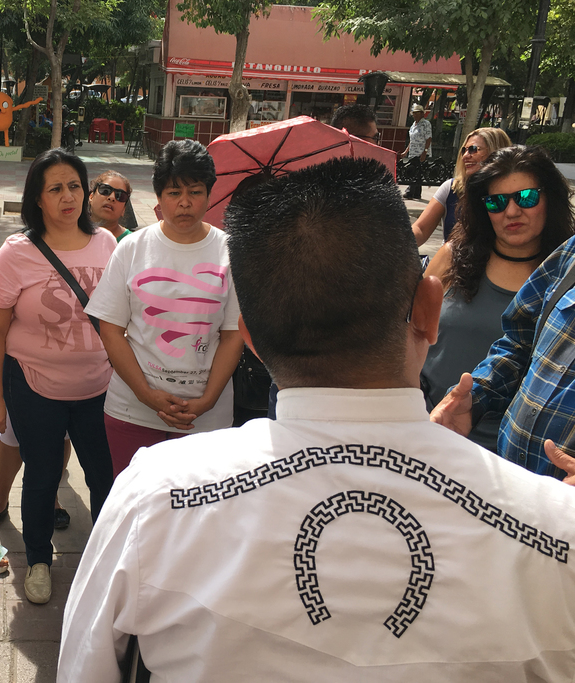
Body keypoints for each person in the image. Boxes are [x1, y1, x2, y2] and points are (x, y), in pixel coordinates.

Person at [59, 157, 575, 681]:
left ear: (252, 341)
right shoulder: (556, 530)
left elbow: (86, 668)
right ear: (428, 310)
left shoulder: (154, 499)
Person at [0, 148, 115, 604]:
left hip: (99, 385)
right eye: (55, 188)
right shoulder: (16, 253)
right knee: (41, 476)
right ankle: (38, 560)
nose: (68, 197)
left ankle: (106, 556)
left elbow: (119, 317)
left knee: (104, 475)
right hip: (34, 385)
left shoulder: (107, 244)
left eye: (75, 186)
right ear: (37, 198)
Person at [85, 139, 243, 477]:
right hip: (133, 411)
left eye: (195, 192)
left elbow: (233, 335)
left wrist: (208, 400)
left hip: (206, 417)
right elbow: (110, 329)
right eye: (173, 193)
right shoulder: (131, 249)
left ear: (210, 194)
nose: (184, 203)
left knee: (199, 516)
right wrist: (146, 395)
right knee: (137, 511)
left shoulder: (230, 253)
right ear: (158, 197)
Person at [432, 153, 575, 482]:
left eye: (526, 198)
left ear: (549, 199)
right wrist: (475, 396)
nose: (512, 211)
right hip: (448, 430)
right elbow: (520, 343)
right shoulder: (568, 259)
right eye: (496, 202)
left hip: (547, 493)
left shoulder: (552, 257)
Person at [412, 128, 511, 245]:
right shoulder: (451, 188)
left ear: (496, 152)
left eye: (473, 149)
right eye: (464, 150)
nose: (465, 156)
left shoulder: (511, 194)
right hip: (451, 261)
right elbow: (421, 229)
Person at [88, 170, 133, 241]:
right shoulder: (70, 233)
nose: (112, 197)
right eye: (105, 190)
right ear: (91, 197)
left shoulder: (132, 243)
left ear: (124, 209)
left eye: (120, 195)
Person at [401, 103, 432, 200]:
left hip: (421, 152)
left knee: (415, 172)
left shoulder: (426, 124)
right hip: (413, 152)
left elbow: (428, 138)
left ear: (422, 114)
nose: (415, 115)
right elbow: (412, 140)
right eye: (414, 113)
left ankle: (410, 191)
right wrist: (406, 152)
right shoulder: (413, 125)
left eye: (417, 113)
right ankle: (417, 193)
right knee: (417, 173)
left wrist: (425, 152)